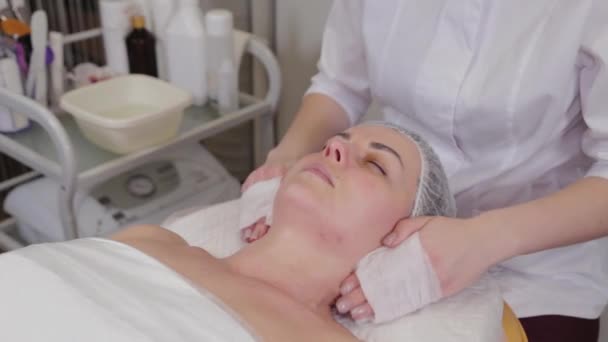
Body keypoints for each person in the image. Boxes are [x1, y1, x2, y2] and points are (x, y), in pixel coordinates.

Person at [241, 1, 608, 341]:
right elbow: (340, 84)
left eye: (374, 163)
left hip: (538, 268)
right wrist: (287, 157)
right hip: (378, 240)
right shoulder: (188, 253)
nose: (333, 147)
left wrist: (483, 239)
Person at [4, 123, 508, 341]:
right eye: (337, 142)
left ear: (404, 240)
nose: (333, 149)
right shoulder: (152, 241)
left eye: (376, 167)